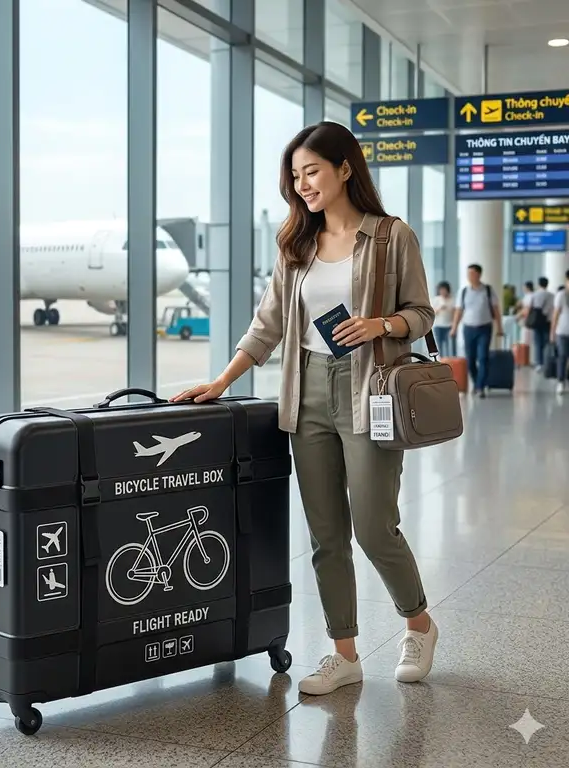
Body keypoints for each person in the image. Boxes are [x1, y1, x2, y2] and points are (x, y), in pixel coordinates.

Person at [171, 121, 438, 696]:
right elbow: (267, 325)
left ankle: (418, 622)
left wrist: (382, 324)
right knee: (325, 534)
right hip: (307, 391)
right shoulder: (296, 245)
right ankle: (344, 653)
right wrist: (222, 380)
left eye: (311, 171)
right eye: (295, 176)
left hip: (371, 390)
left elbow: (422, 313)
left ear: (345, 168)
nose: (302, 185)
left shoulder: (391, 236)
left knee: (372, 525)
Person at [450, 264, 504, 397]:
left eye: (472, 273)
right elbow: (459, 311)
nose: (470, 276)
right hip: (468, 328)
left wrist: (500, 327)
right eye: (468, 274)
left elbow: (496, 310)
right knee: (470, 359)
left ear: (479, 274)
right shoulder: (463, 292)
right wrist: (454, 328)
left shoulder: (488, 290)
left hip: (485, 328)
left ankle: (480, 387)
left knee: (483, 357)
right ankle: (476, 382)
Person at [524, 276, 554, 370]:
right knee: (546, 342)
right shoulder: (551, 295)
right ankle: (546, 362)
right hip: (547, 321)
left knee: (537, 342)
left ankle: (538, 363)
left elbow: (529, 308)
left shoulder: (535, 295)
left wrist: (527, 319)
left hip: (536, 321)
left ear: (538, 284)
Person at [551, 270, 569, 395]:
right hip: (562, 332)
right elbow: (555, 314)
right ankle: (561, 381)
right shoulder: (561, 295)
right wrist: (552, 332)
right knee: (562, 356)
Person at [431, 281, 456, 357]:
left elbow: (455, 313)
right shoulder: (436, 299)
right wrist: (440, 308)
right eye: (441, 290)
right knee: (440, 346)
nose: (442, 291)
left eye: (444, 290)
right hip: (438, 326)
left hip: (449, 326)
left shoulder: (452, 300)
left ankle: (451, 361)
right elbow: (432, 313)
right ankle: (441, 361)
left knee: (451, 346)